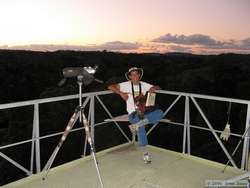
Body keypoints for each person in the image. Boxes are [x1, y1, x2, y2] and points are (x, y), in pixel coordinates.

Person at [108, 67, 164, 163]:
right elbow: (110, 87)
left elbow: (158, 87)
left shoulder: (144, 84)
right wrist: (121, 93)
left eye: (136, 74)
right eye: (132, 74)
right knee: (141, 128)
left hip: (144, 111)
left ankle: (137, 125)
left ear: (139, 75)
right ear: (129, 76)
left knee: (160, 113)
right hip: (133, 113)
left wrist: (154, 88)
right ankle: (145, 153)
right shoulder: (125, 85)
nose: (134, 76)